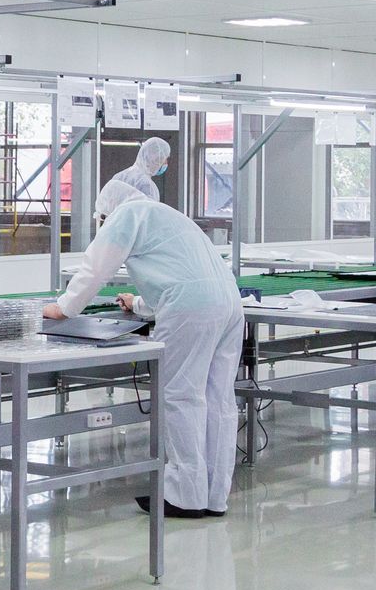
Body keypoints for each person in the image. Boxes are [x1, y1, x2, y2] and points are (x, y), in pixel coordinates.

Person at [44, 173, 243, 518]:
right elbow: (185, 278)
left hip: (192, 309)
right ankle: (214, 496)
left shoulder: (127, 214)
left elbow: (97, 266)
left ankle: (185, 496)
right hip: (229, 306)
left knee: (180, 395)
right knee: (218, 400)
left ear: (107, 211)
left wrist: (64, 307)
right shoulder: (169, 216)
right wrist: (137, 304)